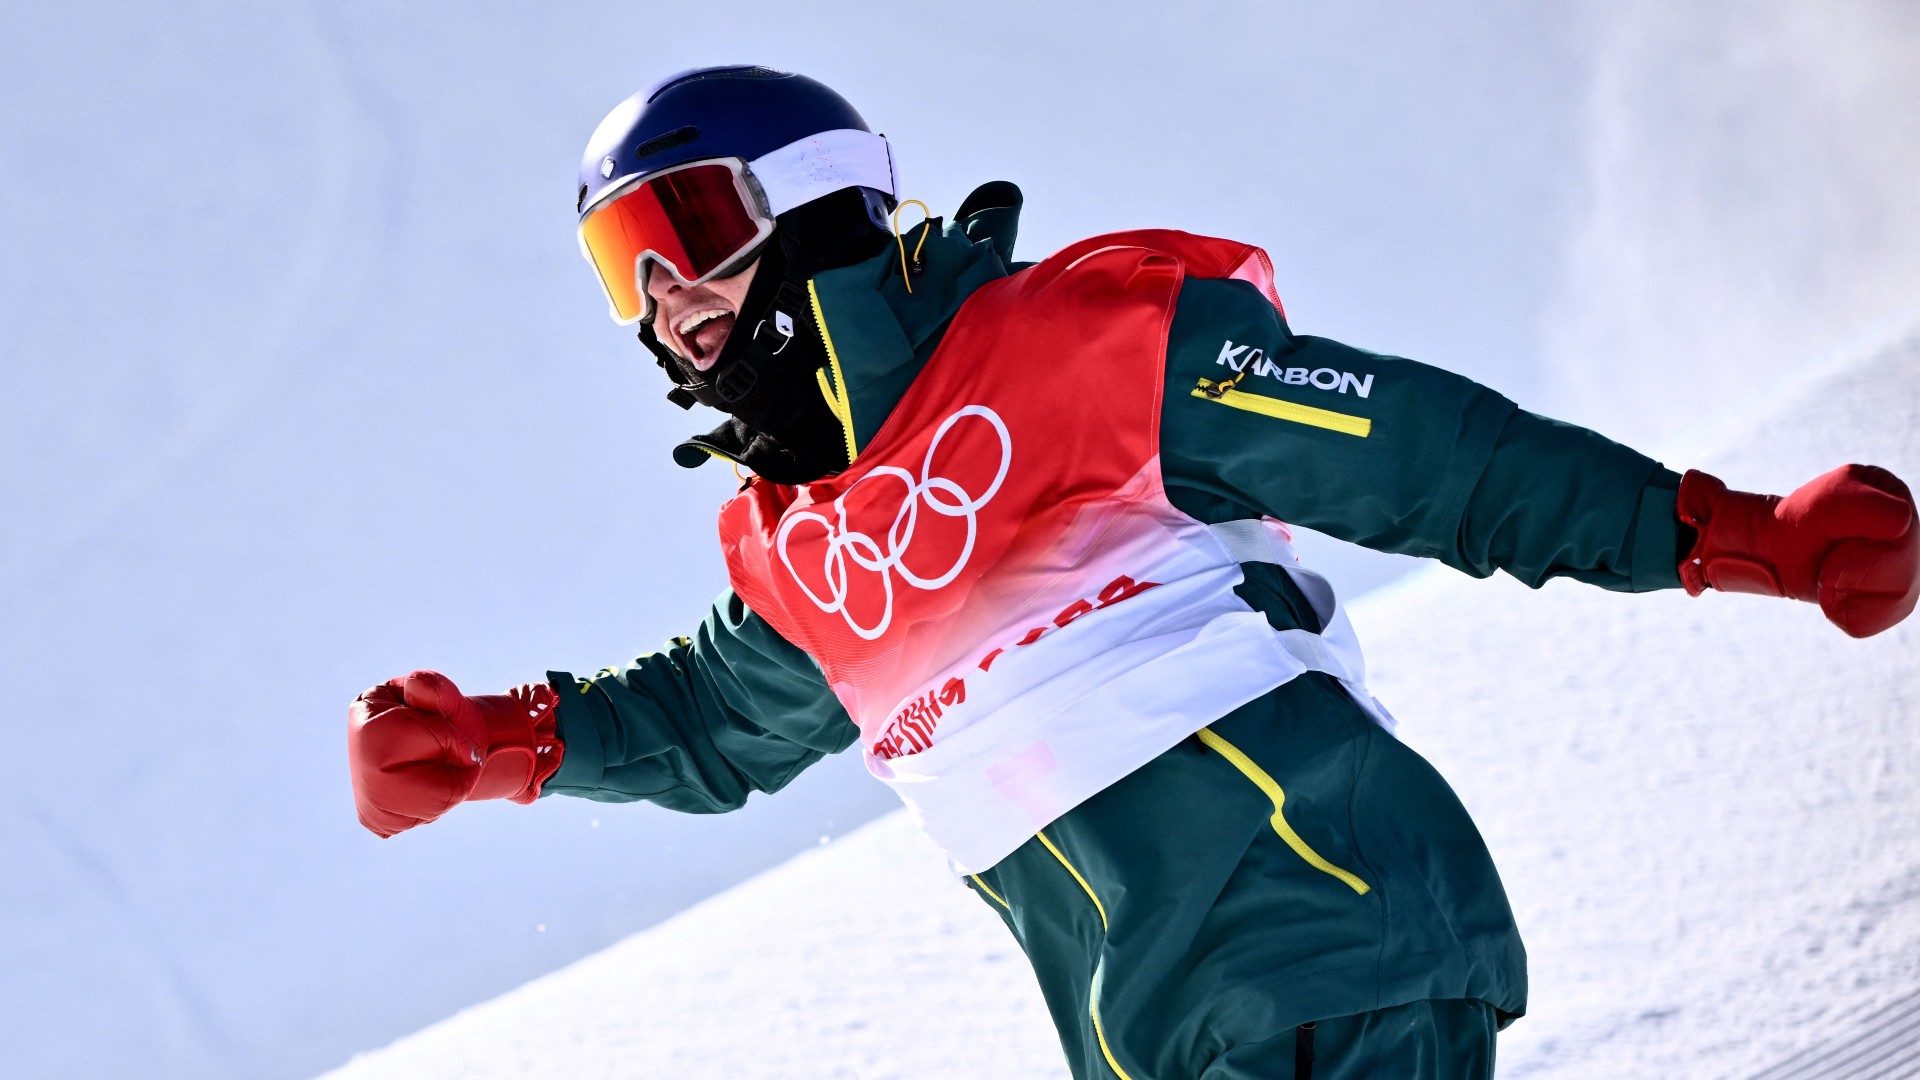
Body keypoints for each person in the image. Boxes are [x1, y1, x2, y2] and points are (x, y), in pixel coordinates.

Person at [346, 66, 1920, 1079]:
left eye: (696, 224)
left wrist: (1732, 533)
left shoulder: (1079, 348)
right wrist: (501, 742)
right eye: (631, 268)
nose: (676, 303)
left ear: (827, 196)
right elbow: (707, 723)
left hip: (1336, 936)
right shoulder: (794, 551)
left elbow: (1423, 459)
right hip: (1154, 1039)